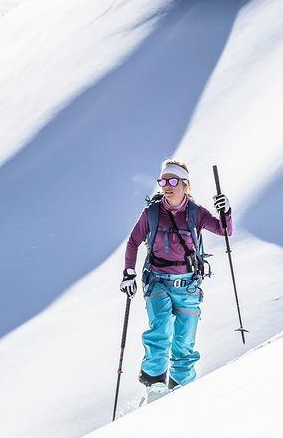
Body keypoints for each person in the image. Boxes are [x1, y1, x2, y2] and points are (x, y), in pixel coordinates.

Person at [120, 158, 233, 400]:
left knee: (184, 341)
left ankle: (181, 390)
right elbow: (133, 242)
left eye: (172, 181)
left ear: (185, 184)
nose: (167, 186)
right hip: (157, 281)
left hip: (188, 285)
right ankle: (154, 382)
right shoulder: (151, 213)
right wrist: (128, 272)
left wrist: (226, 212)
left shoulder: (196, 213)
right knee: (161, 328)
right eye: (163, 180)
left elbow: (224, 230)